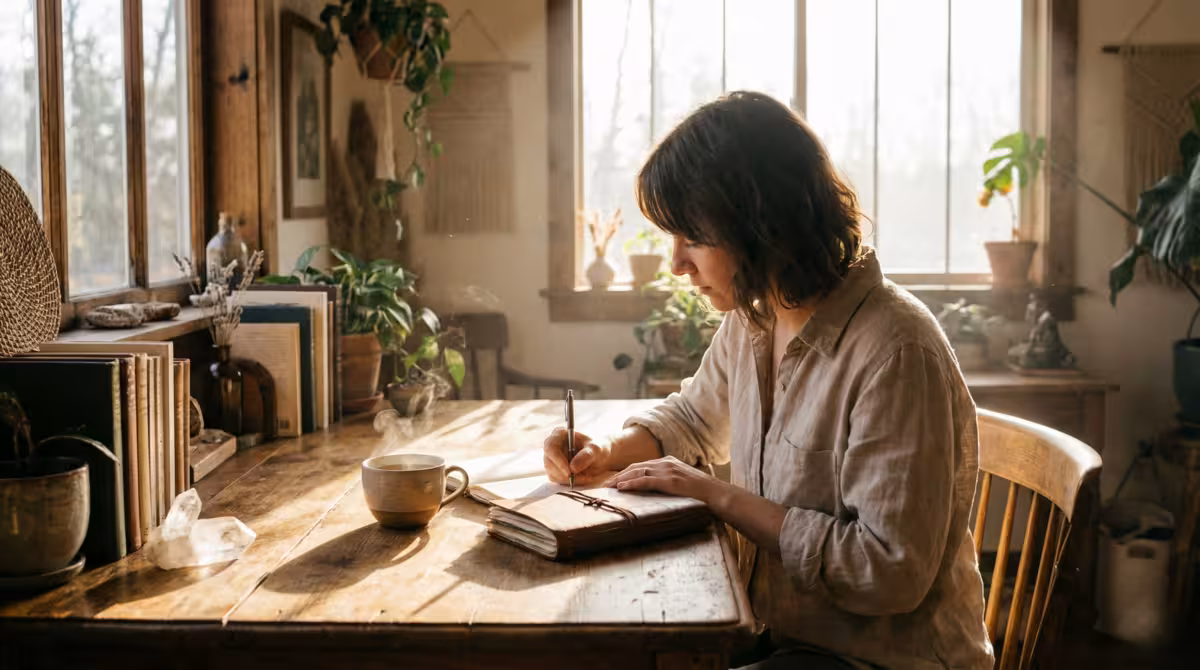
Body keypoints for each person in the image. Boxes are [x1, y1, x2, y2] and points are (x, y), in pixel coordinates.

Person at [542, 92, 993, 669]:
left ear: (761, 224)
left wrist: (718, 495)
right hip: (779, 640)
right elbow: (694, 419)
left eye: (692, 237)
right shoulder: (755, 317)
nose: (676, 264)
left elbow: (886, 572)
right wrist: (605, 451)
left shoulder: (896, 351)